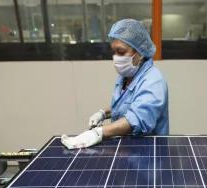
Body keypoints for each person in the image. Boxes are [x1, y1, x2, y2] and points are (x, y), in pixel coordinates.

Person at [61, 19, 169, 149]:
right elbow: (125, 104)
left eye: (121, 52)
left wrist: (97, 133)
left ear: (139, 53)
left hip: (149, 151)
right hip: (127, 148)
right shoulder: (126, 75)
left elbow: (137, 119)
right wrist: (103, 113)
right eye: (114, 51)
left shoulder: (153, 81)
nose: (116, 57)